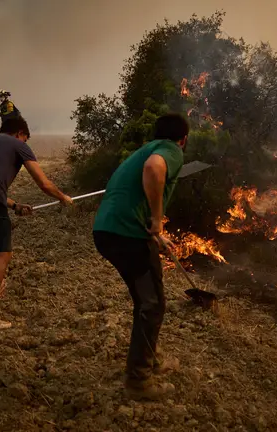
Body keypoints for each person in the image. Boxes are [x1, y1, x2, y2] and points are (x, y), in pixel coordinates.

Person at [92, 113, 188, 400]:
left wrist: (155, 231)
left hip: (109, 230)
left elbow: (133, 194)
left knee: (147, 301)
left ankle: (151, 359)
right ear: (183, 140)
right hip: (125, 236)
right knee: (152, 304)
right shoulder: (169, 151)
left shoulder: (144, 149)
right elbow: (154, 169)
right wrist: (158, 219)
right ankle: (138, 380)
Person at [0, 117, 73, 329]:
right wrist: (62, 197)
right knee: (3, 254)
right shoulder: (19, 145)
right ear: (20, 133)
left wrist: (14, 205)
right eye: (25, 139)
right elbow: (43, 183)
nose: (25, 143)